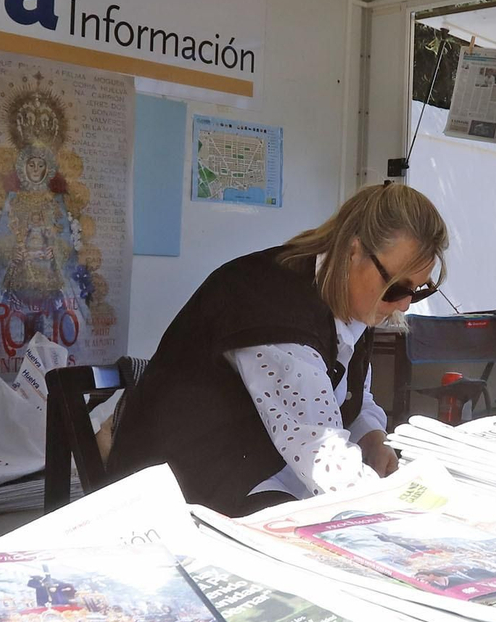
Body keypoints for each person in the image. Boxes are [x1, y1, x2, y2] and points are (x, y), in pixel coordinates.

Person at [109, 182, 449, 515]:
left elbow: (349, 395)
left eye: (417, 291)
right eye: (396, 288)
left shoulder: (350, 299)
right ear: (354, 251)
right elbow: (320, 453)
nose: (404, 304)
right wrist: (399, 506)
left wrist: (372, 439)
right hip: (181, 491)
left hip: (264, 471)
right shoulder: (272, 306)